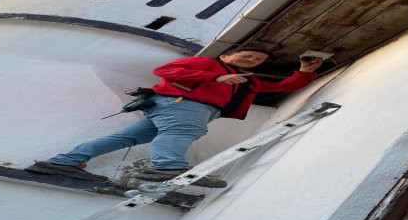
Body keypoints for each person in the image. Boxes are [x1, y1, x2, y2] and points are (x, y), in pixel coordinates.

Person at [26, 47, 323, 188]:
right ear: (228, 55)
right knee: (181, 133)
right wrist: (216, 79)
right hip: (182, 104)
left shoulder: (248, 80)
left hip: (180, 108)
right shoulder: (207, 63)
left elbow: (284, 85)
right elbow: (166, 71)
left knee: (128, 137)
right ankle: (166, 168)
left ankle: (64, 161)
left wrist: (305, 72)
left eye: (258, 60)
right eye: (247, 55)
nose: (253, 60)